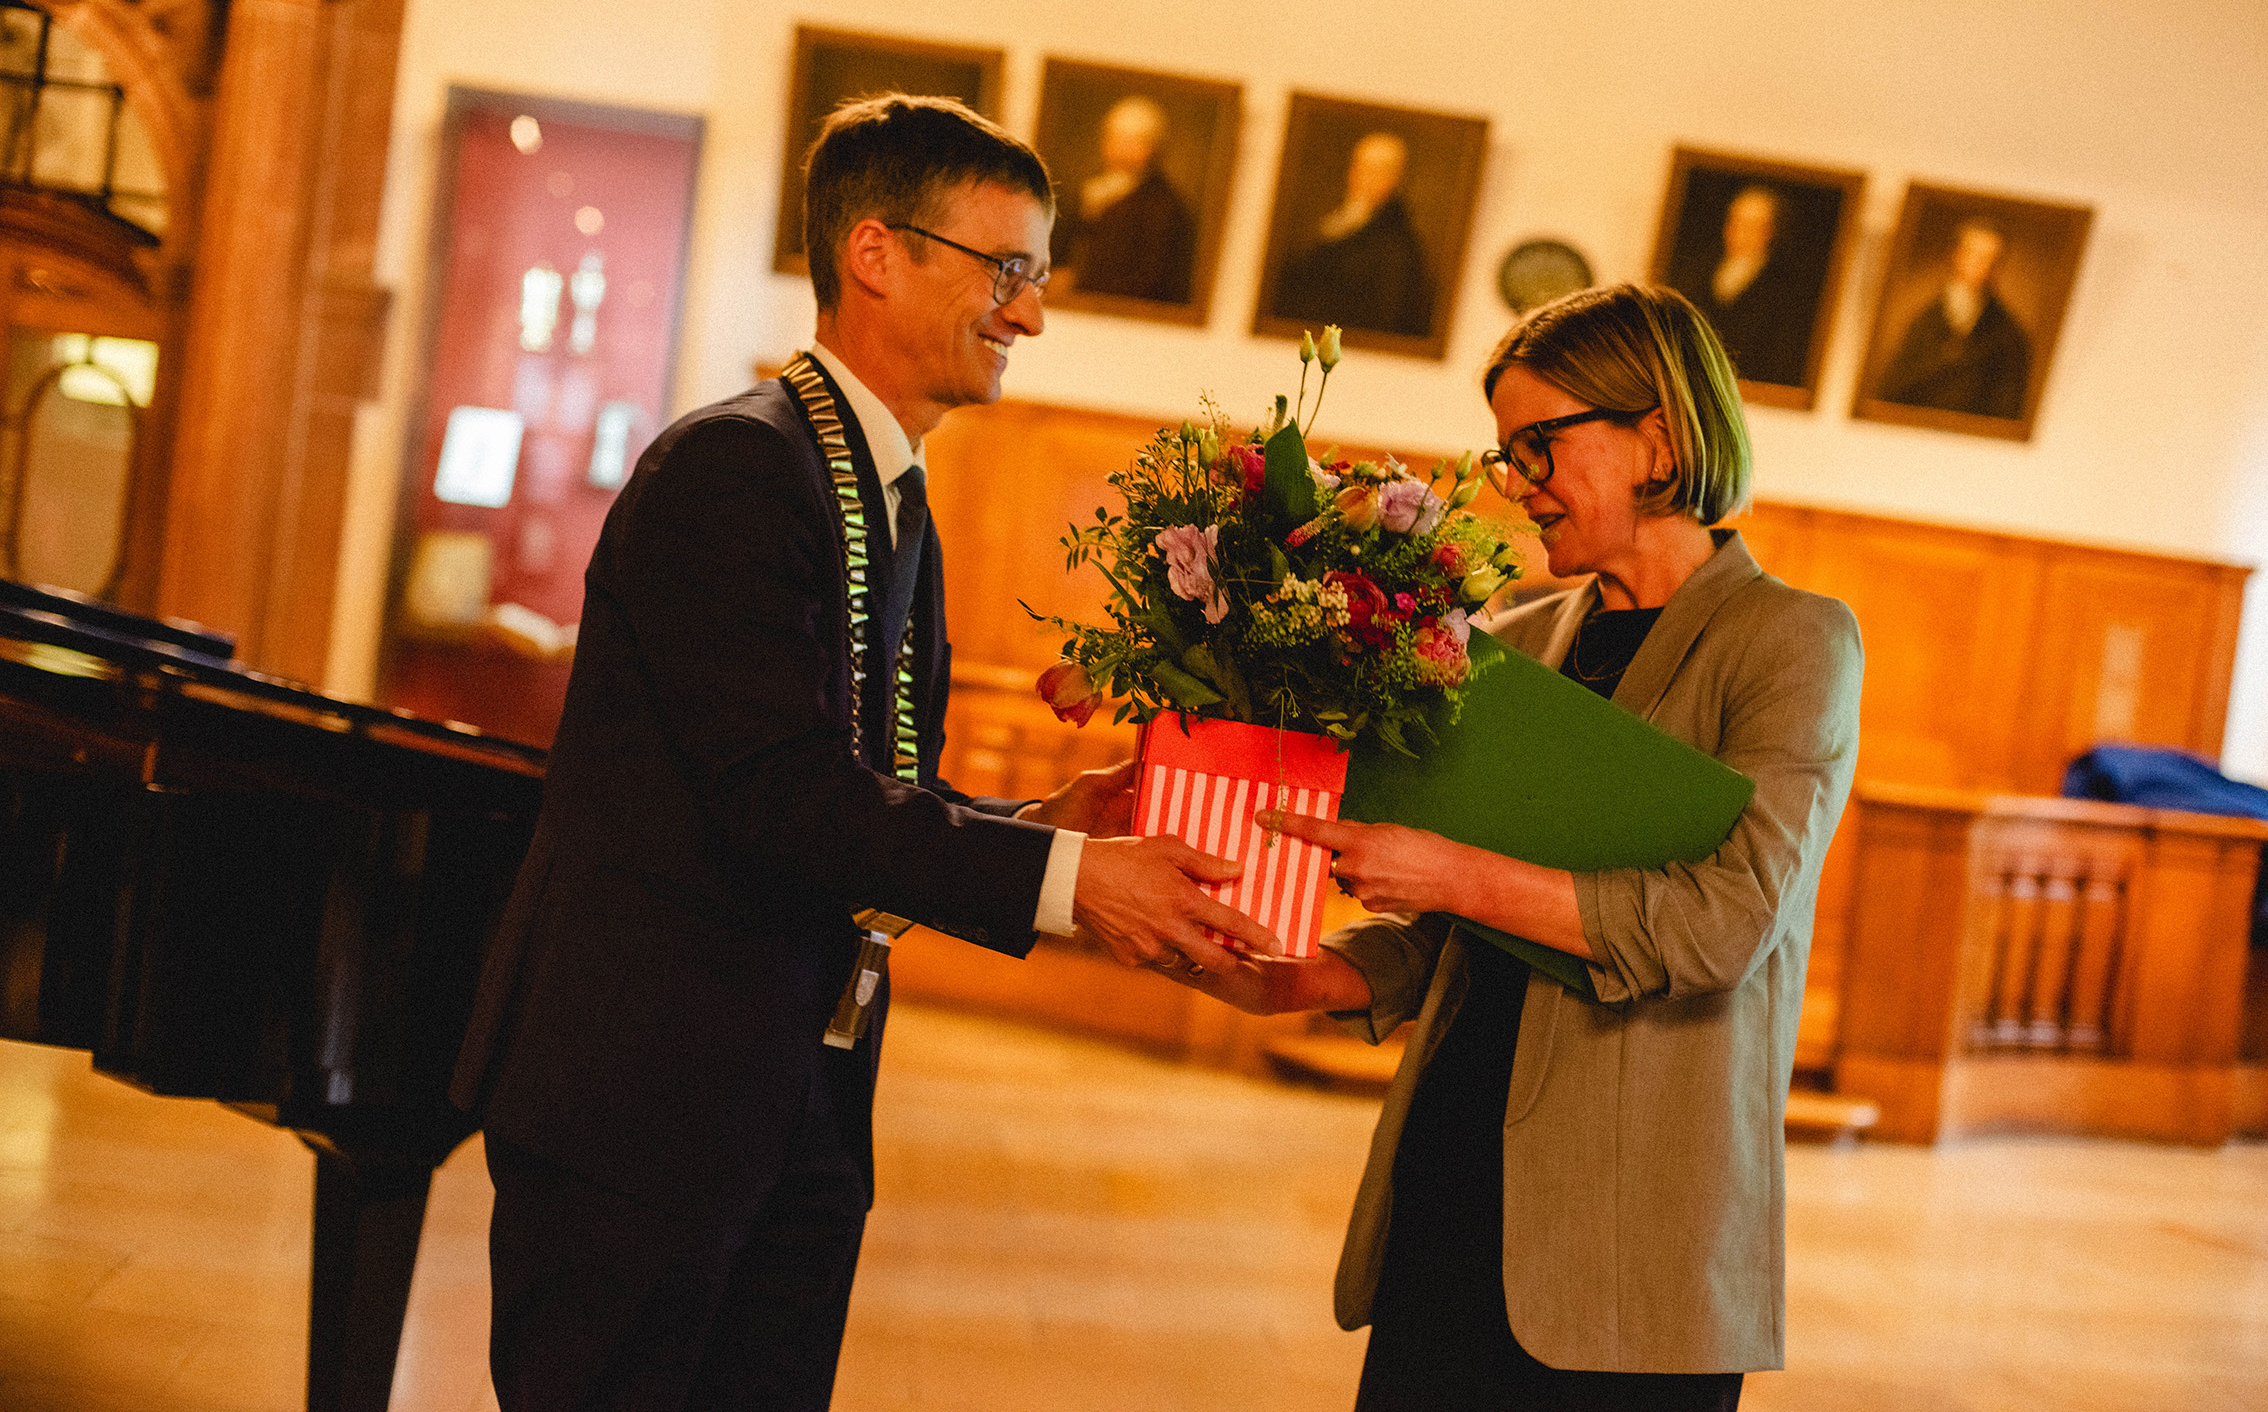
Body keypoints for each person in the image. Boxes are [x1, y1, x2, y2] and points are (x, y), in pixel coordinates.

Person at [448, 93, 1280, 1412]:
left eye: (1038, 276)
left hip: (793, 1100)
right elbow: (778, 799)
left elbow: (864, 796)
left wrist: (1044, 820)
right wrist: (1069, 882)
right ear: (876, 253)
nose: (1031, 315)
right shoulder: (737, 468)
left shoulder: (889, 491)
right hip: (648, 1106)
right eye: (1006, 271)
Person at [1167, 284, 1862, 1410]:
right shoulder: (1511, 638)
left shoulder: (1791, 640)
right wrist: (1318, 973)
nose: (1517, 482)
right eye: (1504, 453)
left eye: (1540, 443)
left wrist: (1444, 870)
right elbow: (1458, 928)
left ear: (1663, 435)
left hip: (1630, 1239)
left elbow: (1723, 923)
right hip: (1453, 1179)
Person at [1272, 130, 1433, 336]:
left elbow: (1385, 313)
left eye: (1376, 171)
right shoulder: (1335, 219)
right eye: (1360, 167)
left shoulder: (1397, 244)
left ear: (1393, 179)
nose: (1363, 177)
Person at [1873, 216, 2032, 419]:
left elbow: (2008, 404)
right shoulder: (1924, 321)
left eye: (1990, 258)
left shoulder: (2008, 332)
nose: (1981, 265)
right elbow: (1894, 387)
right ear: (1957, 255)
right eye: (1974, 254)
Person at [1050, 93, 1196, 303]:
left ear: (1155, 149)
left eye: (1134, 143)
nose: (1121, 151)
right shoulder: (1088, 188)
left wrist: (1078, 284)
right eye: (1114, 139)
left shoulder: (1165, 207)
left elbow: (1150, 280)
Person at [1667, 184, 1813, 388]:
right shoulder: (1698, 271)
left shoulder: (1783, 288)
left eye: (1751, 225)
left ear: (1768, 231)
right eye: (1735, 221)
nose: (1738, 231)